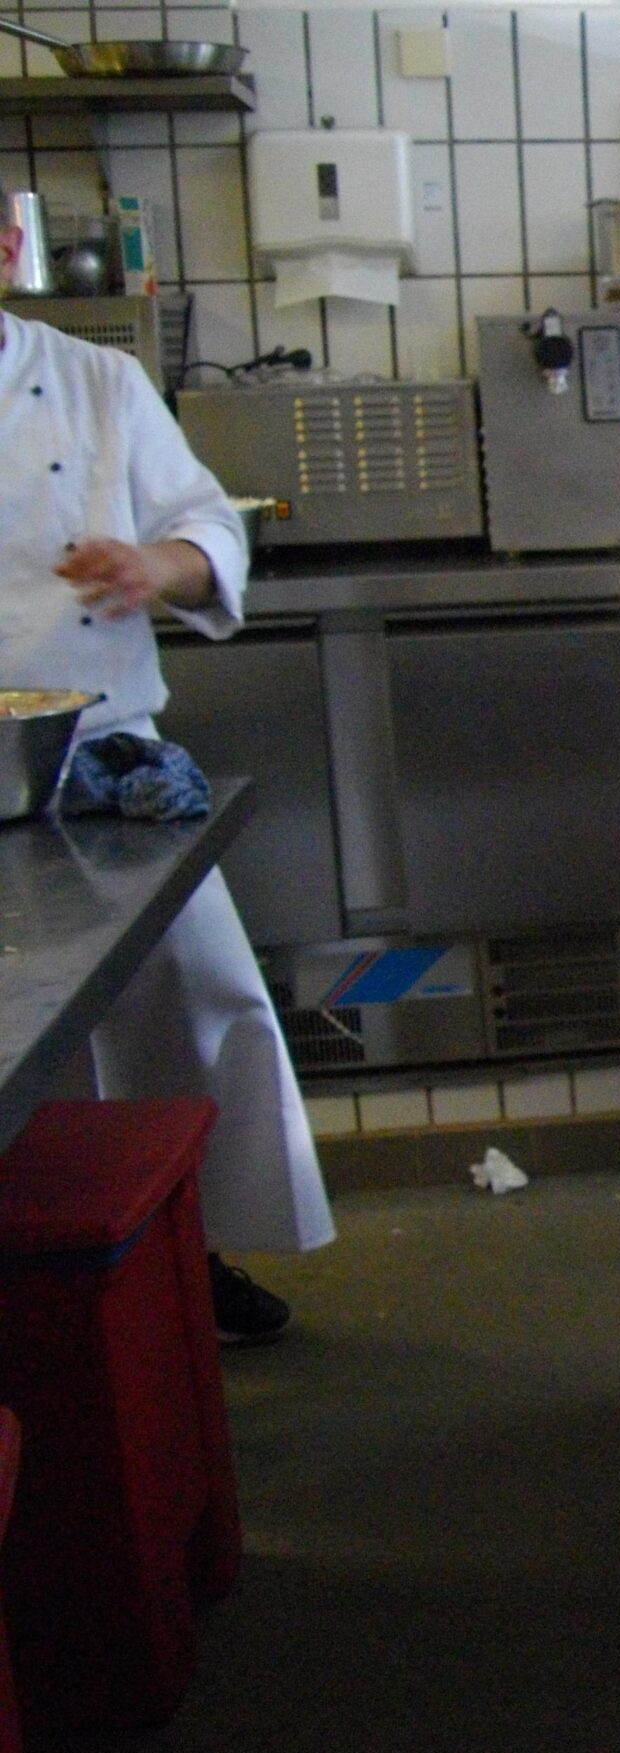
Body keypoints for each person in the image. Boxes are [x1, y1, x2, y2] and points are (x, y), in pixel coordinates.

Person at [0, 201, 332, 1342]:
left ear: (7, 252)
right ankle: (51, 1290)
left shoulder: (93, 384)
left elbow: (212, 535)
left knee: (200, 1002)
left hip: (105, 764)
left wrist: (157, 563)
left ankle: (193, 1252)